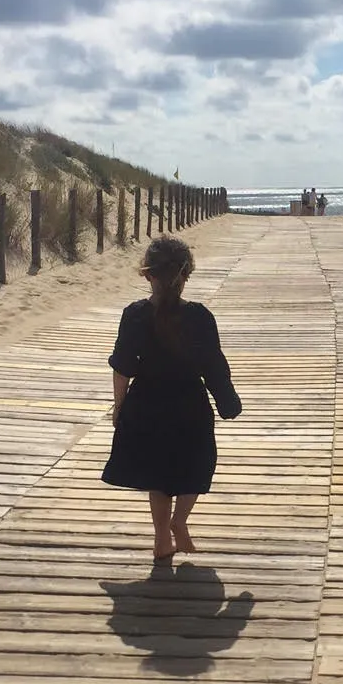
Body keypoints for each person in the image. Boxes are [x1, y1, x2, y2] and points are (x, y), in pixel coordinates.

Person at [103, 236, 242, 562]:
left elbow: (122, 366)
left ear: (148, 274)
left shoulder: (135, 314)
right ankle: (180, 522)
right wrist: (226, 400)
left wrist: (119, 406)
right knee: (195, 466)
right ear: (186, 275)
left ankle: (162, 537)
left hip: (146, 405)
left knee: (158, 476)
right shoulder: (199, 316)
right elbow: (214, 366)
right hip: (189, 405)